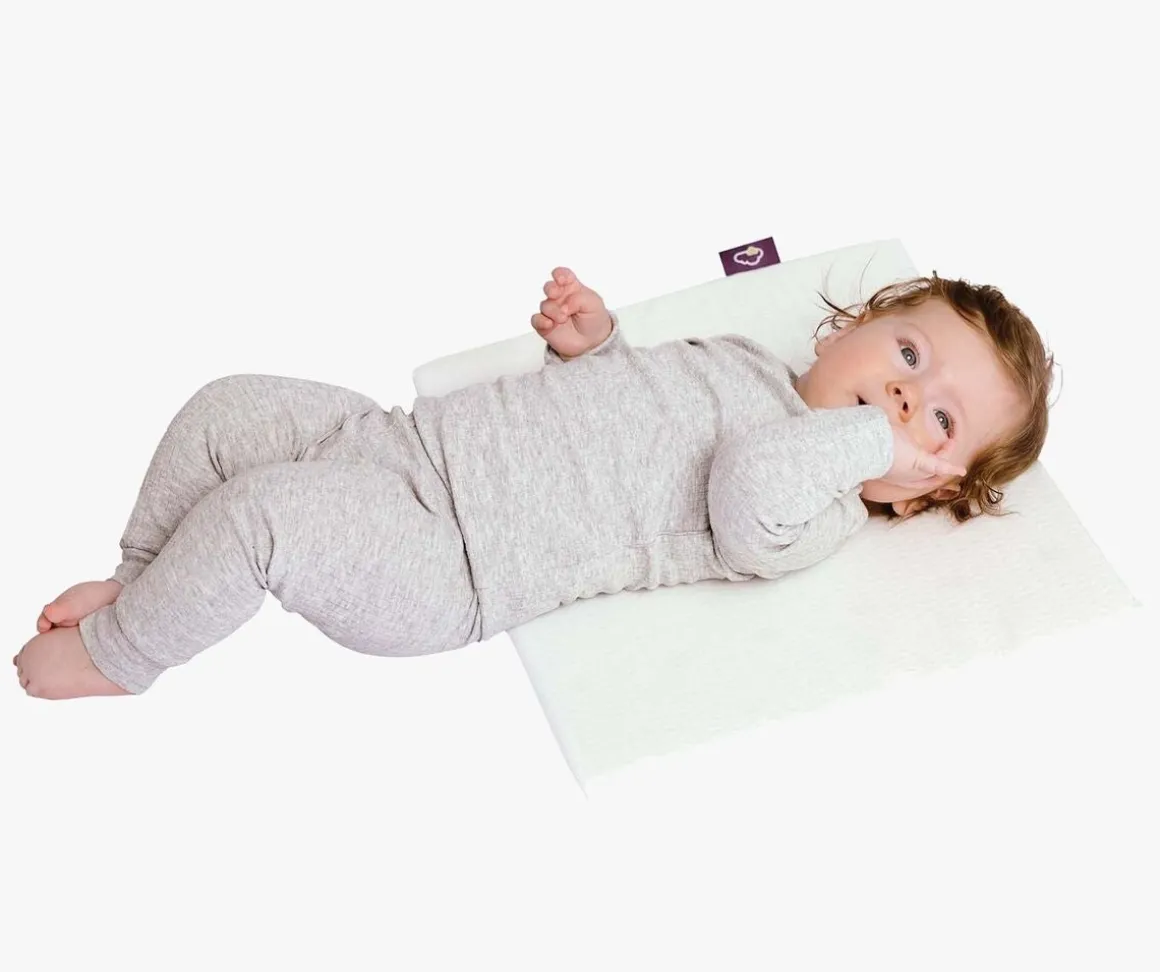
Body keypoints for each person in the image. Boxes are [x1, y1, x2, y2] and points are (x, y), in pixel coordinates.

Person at [12, 266, 1055, 700]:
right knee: (227, 409)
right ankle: (141, 575)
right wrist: (591, 349)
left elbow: (744, 488)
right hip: (401, 444)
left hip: (449, 562)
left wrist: (861, 443)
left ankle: (120, 655)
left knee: (260, 518)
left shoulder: (817, 509)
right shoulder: (743, 359)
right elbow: (631, 409)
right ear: (850, 329)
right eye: (908, 356)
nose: (904, 398)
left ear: (920, 491)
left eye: (937, 422)